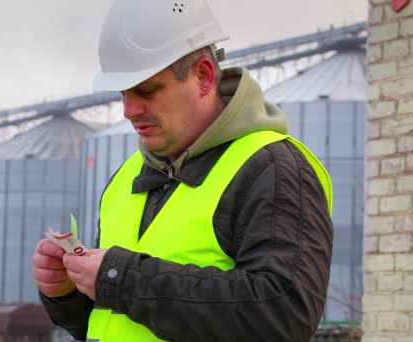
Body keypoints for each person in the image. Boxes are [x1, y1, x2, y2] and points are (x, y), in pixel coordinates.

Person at [32, 0, 334, 340]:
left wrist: (123, 278)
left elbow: (283, 314)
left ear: (203, 76)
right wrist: (67, 294)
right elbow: (118, 320)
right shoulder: (126, 179)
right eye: (123, 93)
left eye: (146, 90)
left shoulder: (271, 169)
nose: (129, 110)